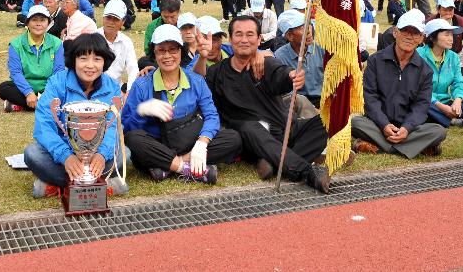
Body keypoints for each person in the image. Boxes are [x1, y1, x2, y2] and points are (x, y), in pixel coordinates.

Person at [205, 16, 330, 193]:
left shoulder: (265, 63)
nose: (244, 40)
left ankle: (272, 161)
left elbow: (282, 74)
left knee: (328, 120)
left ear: (258, 39)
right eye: (238, 34)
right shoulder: (216, 73)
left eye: (250, 34)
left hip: (285, 130)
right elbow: (210, 108)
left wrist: (292, 76)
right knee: (249, 127)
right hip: (252, 138)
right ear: (231, 38)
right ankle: (306, 171)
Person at [123, 24, 242, 184]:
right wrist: (142, 111)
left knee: (233, 138)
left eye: (173, 49)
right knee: (133, 139)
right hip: (158, 145)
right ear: (154, 53)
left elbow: (212, 115)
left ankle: (168, 167)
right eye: (161, 50)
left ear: (181, 51)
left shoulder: (196, 80)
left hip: (190, 142)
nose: (167, 56)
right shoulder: (142, 85)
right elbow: (126, 128)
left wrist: (202, 142)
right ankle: (186, 168)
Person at [24, 33, 121, 199]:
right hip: (64, 154)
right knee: (32, 153)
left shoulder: (112, 87)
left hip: (96, 152)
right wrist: (65, 156)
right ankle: (98, 184)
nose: (90, 65)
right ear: (74, 60)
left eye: (97, 59)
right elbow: (44, 125)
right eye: (83, 58)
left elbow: (113, 126)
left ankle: (58, 185)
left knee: (124, 153)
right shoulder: (57, 83)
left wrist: (102, 154)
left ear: (105, 62)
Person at [351, 10, 447, 158]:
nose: (409, 36)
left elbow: (421, 106)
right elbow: (370, 98)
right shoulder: (375, 61)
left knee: (439, 131)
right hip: (377, 124)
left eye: (415, 33)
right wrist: (384, 124)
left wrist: (407, 129)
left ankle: (380, 145)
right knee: (355, 122)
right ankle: (415, 147)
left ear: (421, 38)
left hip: (408, 128)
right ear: (395, 32)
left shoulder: (425, 71)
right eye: (405, 31)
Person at [418, 19, 463, 130]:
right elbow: (418, 88)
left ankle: (443, 116)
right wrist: (439, 105)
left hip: (446, 101)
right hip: (428, 101)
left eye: (452, 35)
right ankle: (454, 121)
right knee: (419, 105)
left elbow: (459, 81)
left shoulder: (453, 57)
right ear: (432, 37)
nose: (451, 38)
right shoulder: (419, 55)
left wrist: (458, 100)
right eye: (446, 35)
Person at [0, 5, 64, 113]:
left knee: (66, 87)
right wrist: (28, 92)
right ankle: (46, 106)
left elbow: (59, 71)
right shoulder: (16, 44)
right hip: (25, 87)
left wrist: (48, 92)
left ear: (48, 23)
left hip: (49, 87)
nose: (38, 24)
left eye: (42, 20)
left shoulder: (57, 43)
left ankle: (22, 105)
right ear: (27, 23)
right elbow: (16, 72)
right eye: (34, 20)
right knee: (4, 88)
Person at [274, 11, 323, 108]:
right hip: (299, 104)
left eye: (308, 25)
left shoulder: (321, 48)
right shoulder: (280, 57)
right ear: (289, 36)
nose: (308, 31)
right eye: (301, 28)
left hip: (323, 100)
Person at [98, 0, 139, 88]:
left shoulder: (126, 42)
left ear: (123, 21)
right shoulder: (92, 37)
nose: (111, 22)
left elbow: (133, 69)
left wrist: (129, 91)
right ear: (103, 17)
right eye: (108, 17)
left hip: (116, 89)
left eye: (116, 19)